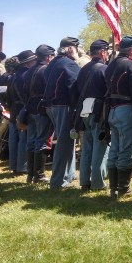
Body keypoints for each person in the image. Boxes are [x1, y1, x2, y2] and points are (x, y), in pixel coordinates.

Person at [104, 36, 132, 199]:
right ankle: (123, 188)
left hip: (112, 110)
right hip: (127, 110)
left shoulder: (110, 65)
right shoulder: (131, 65)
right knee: (127, 151)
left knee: (114, 150)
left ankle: (113, 187)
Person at [43, 37, 81, 188]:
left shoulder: (52, 63)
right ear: (71, 49)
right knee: (64, 143)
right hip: (63, 106)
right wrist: (76, 108)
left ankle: (69, 175)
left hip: (51, 106)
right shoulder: (70, 64)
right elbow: (74, 88)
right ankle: (58, 181)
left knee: (67, 141)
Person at [73, 40, 110, 191]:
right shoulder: (104, 69)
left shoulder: (83, 69)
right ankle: (98, 183)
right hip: (98, 111)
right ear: (102, 52)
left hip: (84, 111)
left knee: (86, 149)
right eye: (106, 51)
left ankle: (84, 182)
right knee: (99, 148)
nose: (107, 54)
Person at [22, 44, 55, 184]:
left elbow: (24, 91)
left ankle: (30, 175)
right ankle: (39, 175)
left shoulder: (28, 72)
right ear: (48, 57)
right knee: (41, 141)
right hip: (41, 109)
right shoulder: (47, 70)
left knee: (31, 142)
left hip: (30, 108)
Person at [6, 50, 35, 175]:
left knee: (13, 139)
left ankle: (13, 165)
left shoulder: (12, 76)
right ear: (28, 63)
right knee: (23, 139)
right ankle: (22, 167)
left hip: (13, 110)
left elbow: (7, 96)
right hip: (23, 109)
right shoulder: (27, 75)